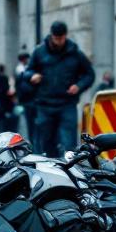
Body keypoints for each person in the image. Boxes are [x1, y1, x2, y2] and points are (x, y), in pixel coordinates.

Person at [25, 21, 95, 157]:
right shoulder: (39, 52)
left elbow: (89, 74)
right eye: (56, 38)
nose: (59, 41)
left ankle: (71, 166)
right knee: (46, 144)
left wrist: (79, 86)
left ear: (65, 36)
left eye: (61, 38)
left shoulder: (75, 53)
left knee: (69, 144)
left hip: (67, 104)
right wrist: (32, 76)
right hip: (44, 105)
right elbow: (27, 72)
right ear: (51, 36)